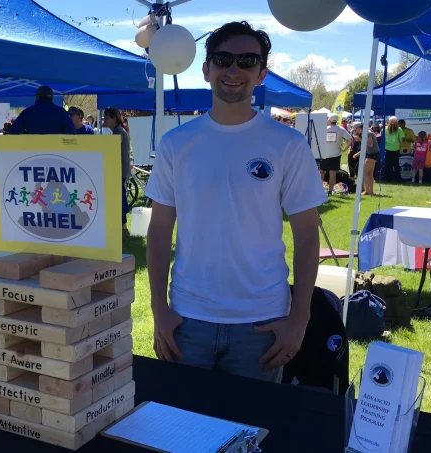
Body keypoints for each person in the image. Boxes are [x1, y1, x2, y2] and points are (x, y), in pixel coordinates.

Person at [145, 21, 325, 383]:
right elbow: (160, 230)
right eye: (223, 59)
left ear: (262, 73)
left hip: (262, 324)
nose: (233, 70)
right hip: (187, 319)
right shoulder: (176, 144)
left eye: (246, 61)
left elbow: (307, 235)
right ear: (206, 68)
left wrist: (299, 319)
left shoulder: (287, 145)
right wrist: (159, 309)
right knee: (180, 433)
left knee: (252, 435)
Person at [102, 106, 132, 231]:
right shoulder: (119, 130)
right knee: (120, 197)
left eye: (107, 117)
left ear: (113, 118)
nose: (104, 120)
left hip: (120, 170)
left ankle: (122, 225)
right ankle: (122, 224)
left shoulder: (118, 132)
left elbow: (112, 150)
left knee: (119, 198)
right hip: (121, 169)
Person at [10, 86, 75, 135]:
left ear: (37, 97)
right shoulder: (61, 112)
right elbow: (72, 131)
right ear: (52, 97)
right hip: (56, 150)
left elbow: (14, 131)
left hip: (32, 149)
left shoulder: (27, 112)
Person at [322, 114, 352, 193]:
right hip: (336, 154)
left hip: (324, 154)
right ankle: (330, 191)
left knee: (321, 172)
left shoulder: (324, 129)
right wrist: (345, 149)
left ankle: (320, 190)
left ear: (329, 120)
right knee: (333, 174)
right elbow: (350, 139)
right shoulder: (341, 129)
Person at [352, 123, 381, 195]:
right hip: (373, 154)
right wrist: (358, 154)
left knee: (364, 172)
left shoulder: (368, 133)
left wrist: (360, 139)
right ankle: (370, 191)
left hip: (372, 155)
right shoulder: (366, 133)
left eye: (356, 129)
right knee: (370, 173)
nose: (355, 131)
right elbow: (367, 147)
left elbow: (370, 145)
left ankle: (367, 191)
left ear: (359, 128)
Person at [383, 116, 405, 181]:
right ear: (396, 122)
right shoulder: (399, 129)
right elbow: (401, 140)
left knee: (387, 164)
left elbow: (382, 139)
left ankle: (387, 178)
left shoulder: (384, 129)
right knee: (396, 165)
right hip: (396, 149)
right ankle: (397, 178)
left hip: (386, 149)